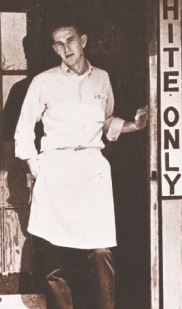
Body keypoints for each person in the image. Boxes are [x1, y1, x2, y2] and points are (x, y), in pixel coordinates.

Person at [14, 18, 148, 309]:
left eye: (70, 40)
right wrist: (35, 166)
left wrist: (135, 126)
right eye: (59, 43)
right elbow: (23, 129)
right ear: (54, 48)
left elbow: (106, 122)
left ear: (83, 40)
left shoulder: (102, 78)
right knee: (53, 255)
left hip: (91, 169)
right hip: (56, 168)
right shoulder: (44, 81)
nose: (66, 48)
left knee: (100, 252)